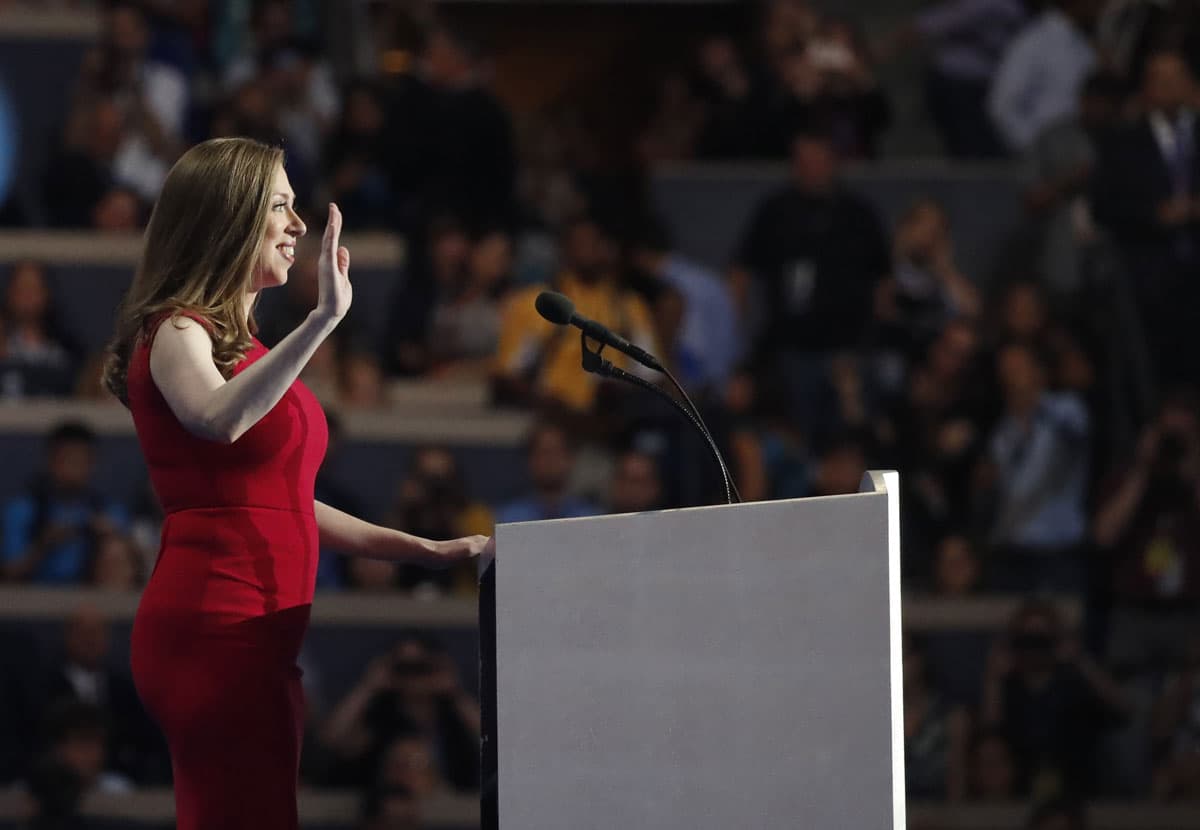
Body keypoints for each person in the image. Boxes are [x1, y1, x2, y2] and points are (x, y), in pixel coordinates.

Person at [100, 137, 493, 829]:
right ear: (231, 219)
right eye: (279, 206)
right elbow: (216, 421)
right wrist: (321, 322)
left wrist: (425, 551)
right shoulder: (175, 331)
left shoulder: (243, 349)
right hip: (214, 628)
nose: (298, 225)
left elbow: (282, 502)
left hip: (261, 634)